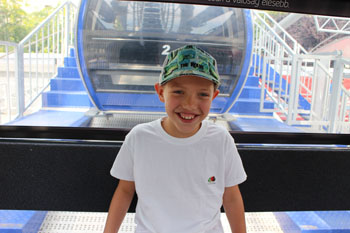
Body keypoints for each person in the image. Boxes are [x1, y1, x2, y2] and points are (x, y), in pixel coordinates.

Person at [104, 45, 247, 233]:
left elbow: (231, 196)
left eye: (203, 94)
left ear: (214, 96)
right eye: (179, 92)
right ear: (161, 92)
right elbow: (125, 190)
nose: (190, 104)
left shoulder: (221, 140)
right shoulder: (139, 138)